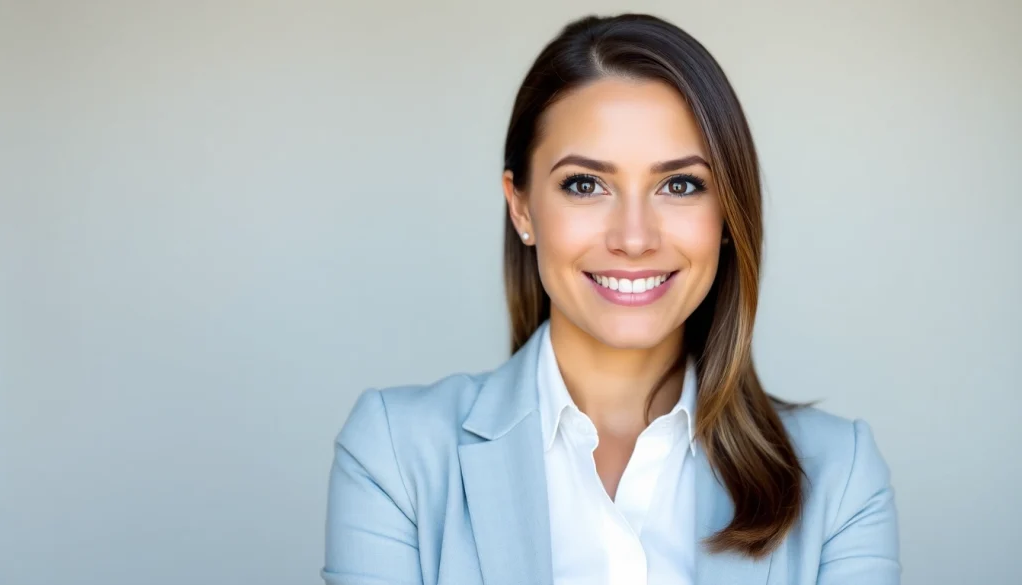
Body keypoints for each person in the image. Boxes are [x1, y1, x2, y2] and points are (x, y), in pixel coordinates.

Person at [322, 12, 899, 585]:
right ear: (521, 206)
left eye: (680, 185)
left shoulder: (839, 475)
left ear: (727, 213)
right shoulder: (396, 455)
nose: (633, 238)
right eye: (585, 184)